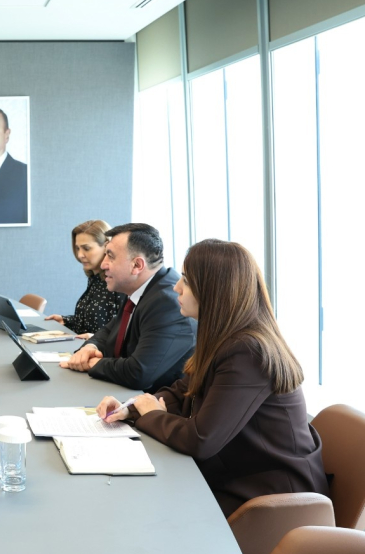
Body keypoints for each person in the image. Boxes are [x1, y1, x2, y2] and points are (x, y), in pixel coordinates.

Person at [97, 239, 328, 518]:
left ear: (213, 290)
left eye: (186, 280)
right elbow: (183, 391)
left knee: (146, 510)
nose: (176, 287)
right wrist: (131, 408)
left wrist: (150, 415)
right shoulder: (226, 338)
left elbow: (200, 440)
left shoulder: (248, 351)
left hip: (272, 498)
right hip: (238, 474)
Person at [61, 222, 196, 393]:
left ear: (137, 265)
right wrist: (90, 347)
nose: (103, 264)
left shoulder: (167, 303)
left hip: (157, 402)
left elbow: (138, 373)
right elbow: (110, 330)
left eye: (110, 256)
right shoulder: (138, 288)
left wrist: (93, 363)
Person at [45, 219, 124, 338]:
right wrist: (66, 320)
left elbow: (125, 332)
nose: (79, 255)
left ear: (107, 247)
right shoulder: (95, 278)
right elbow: (91, 321)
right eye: (78, 248)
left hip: (97, 348)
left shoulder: (118, 283)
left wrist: (96, 340)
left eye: (86, 248)